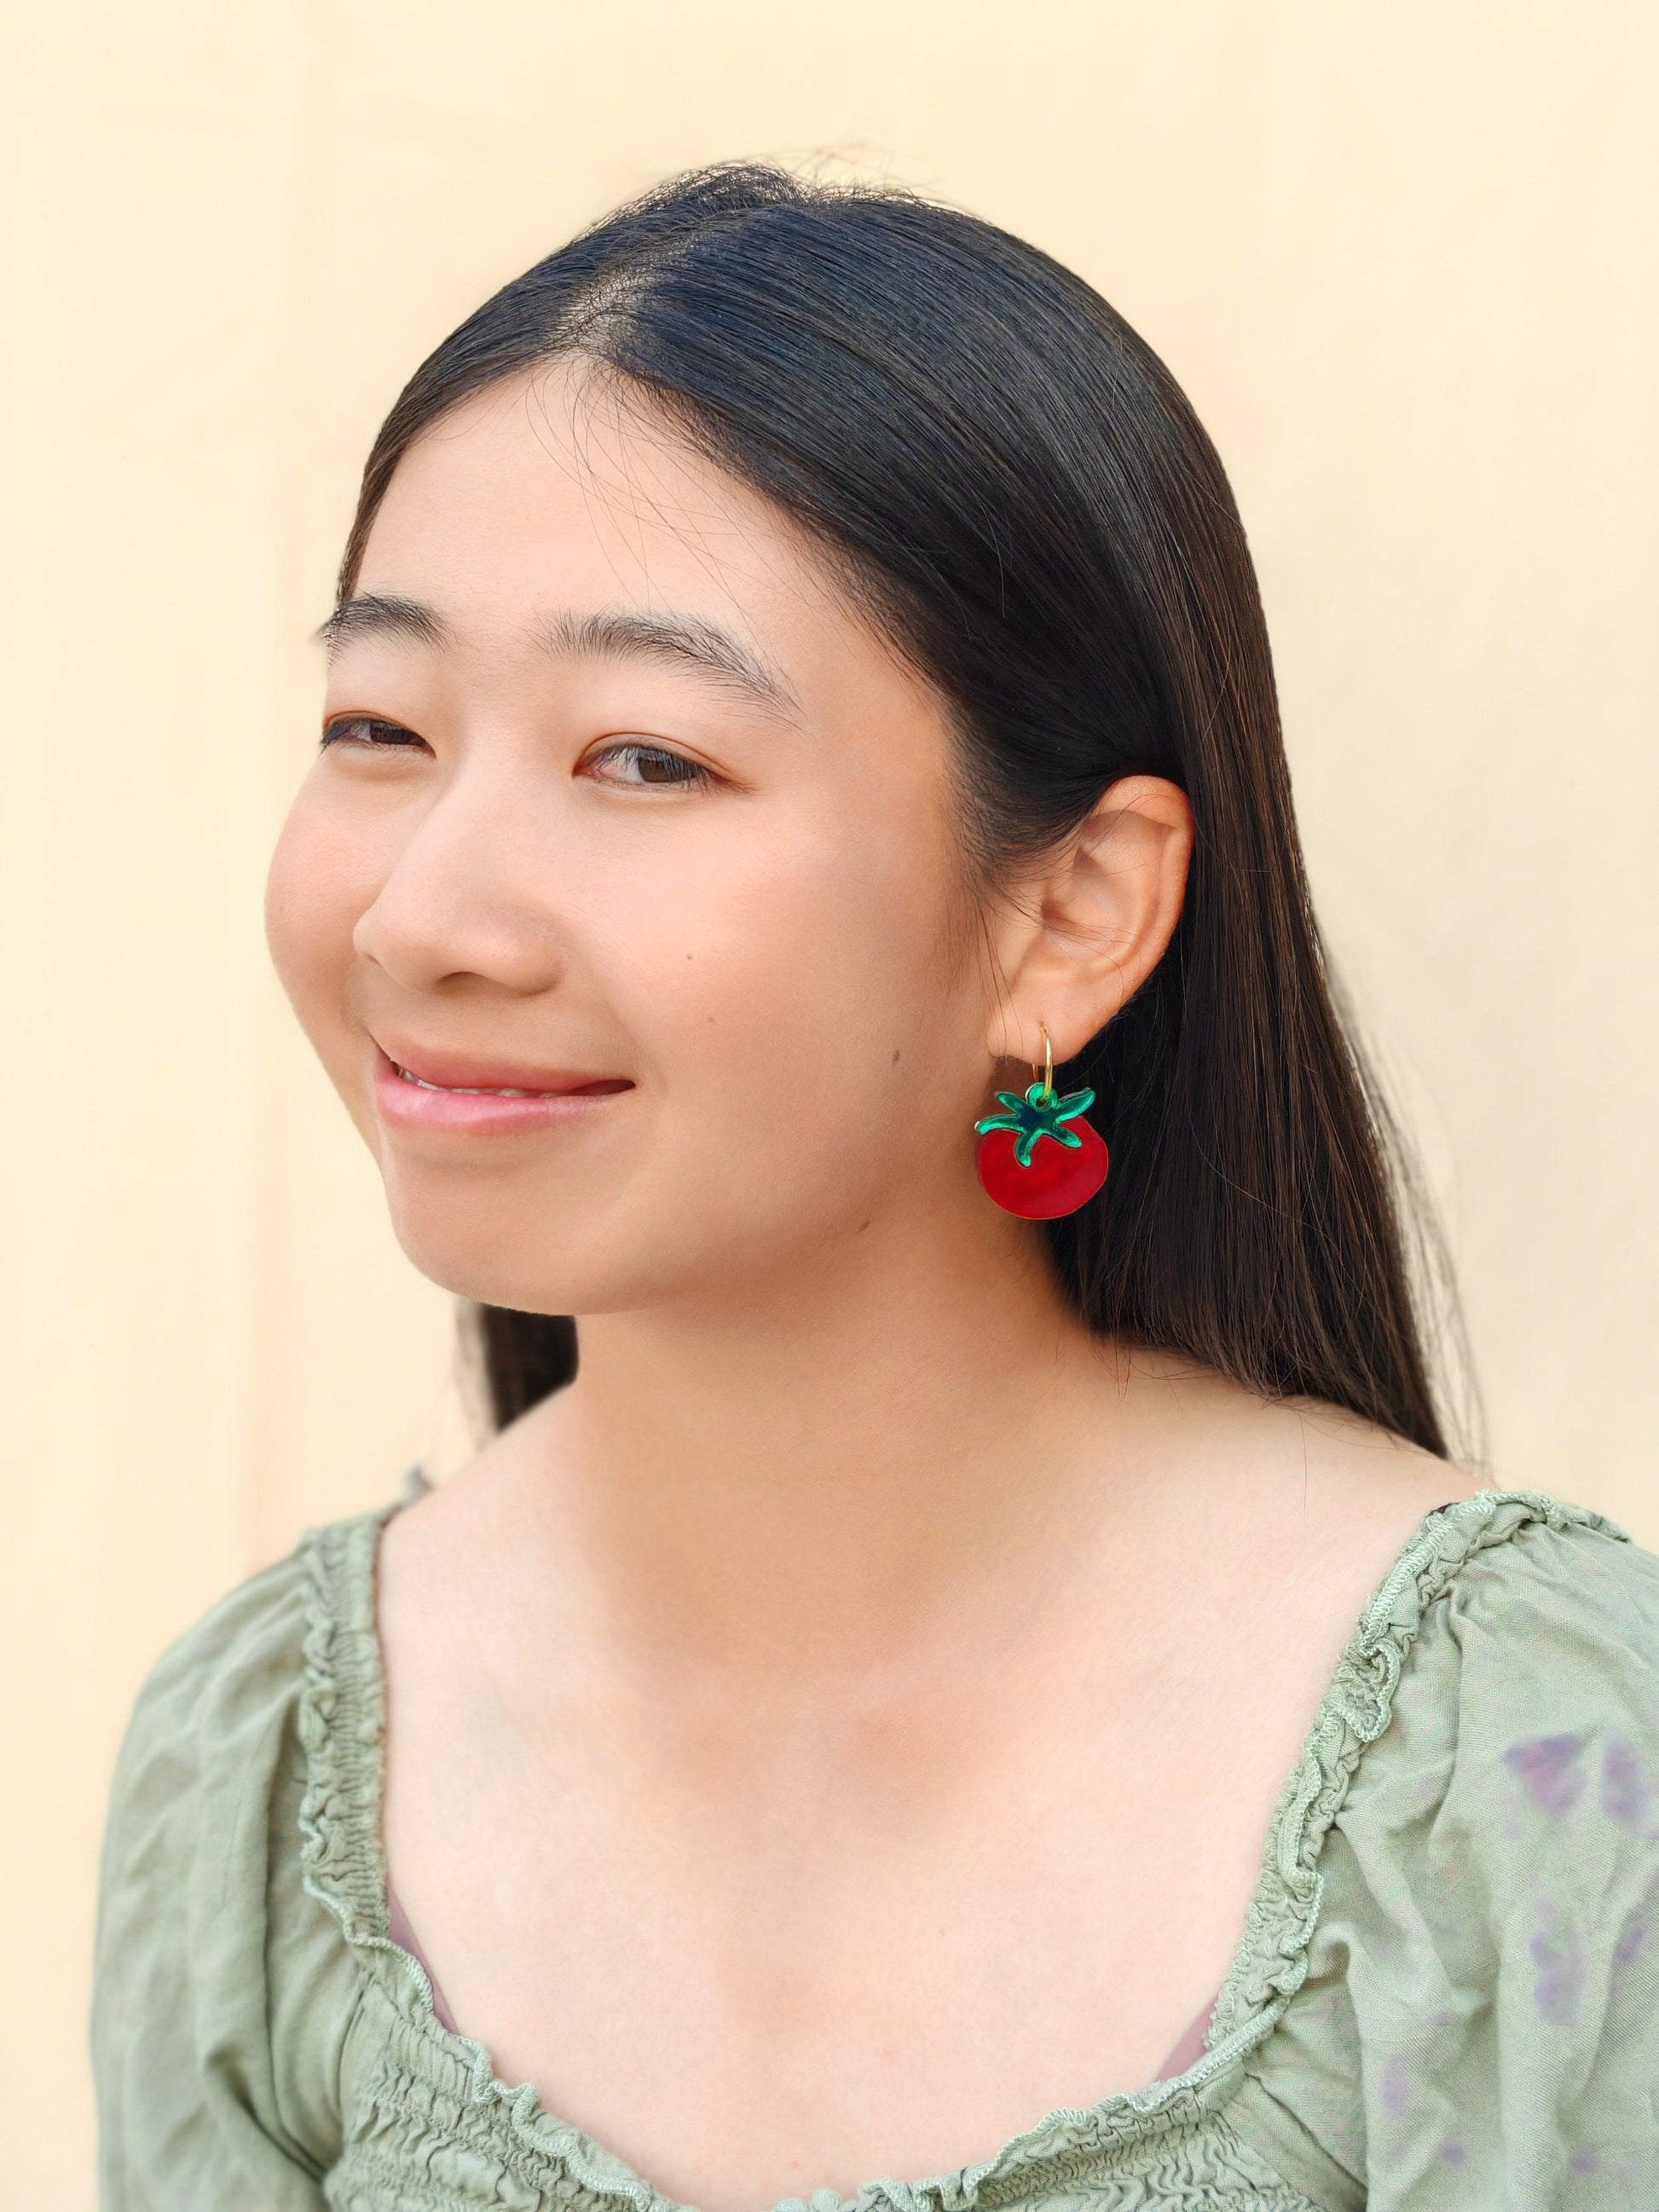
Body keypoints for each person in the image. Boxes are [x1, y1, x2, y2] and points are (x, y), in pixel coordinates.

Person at [91, 165, 1659, 2211]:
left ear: (1069, 915)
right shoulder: (268, 1770)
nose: (426, 911)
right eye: (379, 724)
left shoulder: (1521, 1769)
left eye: (644, 757)